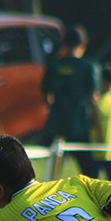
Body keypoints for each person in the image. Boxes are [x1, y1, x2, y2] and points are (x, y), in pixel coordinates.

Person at [42, 25, 100, 179]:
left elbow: (46, 96)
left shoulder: (53, 66)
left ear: (64, 44)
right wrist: (98, 126)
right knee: (90, 175)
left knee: (52, 174)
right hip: (79, 125)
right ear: (83, 44)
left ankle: (48, 201)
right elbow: (92, 100)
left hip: (57, 126)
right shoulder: (88, 67)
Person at [90, 63, 111, 182]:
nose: (110, 85)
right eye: (107, 82)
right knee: (93, 182)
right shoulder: (95, 98)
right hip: (95, 147)